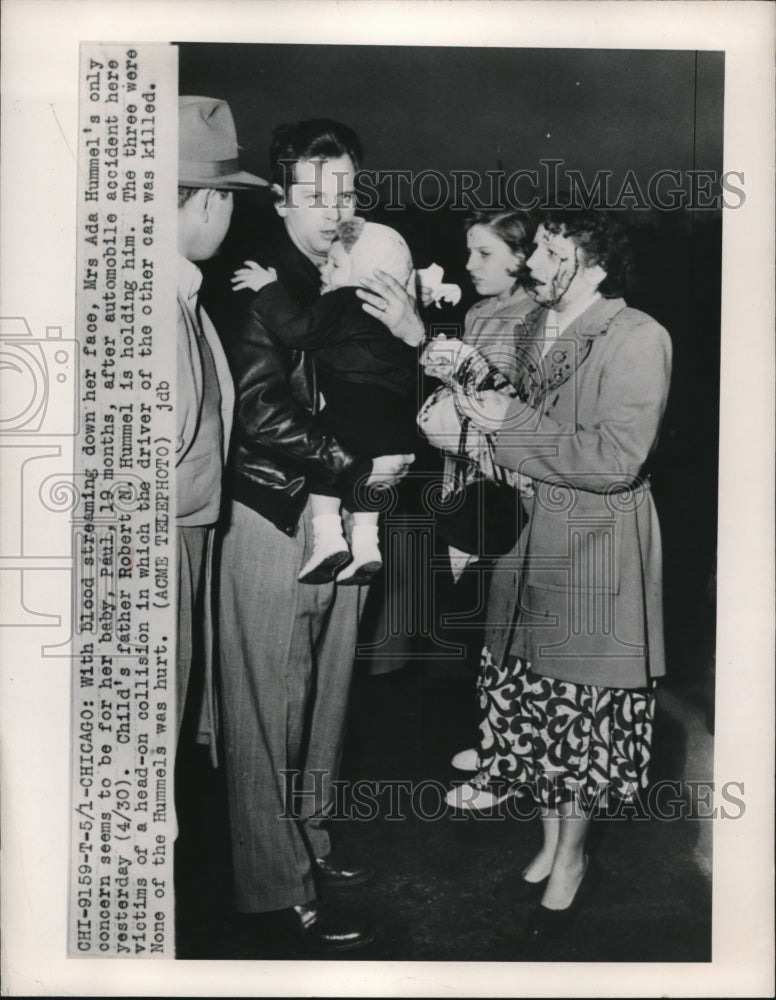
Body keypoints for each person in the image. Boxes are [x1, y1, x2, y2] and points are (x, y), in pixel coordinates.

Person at [429, 209, 671, 940]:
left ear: (592, 264)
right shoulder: (538, 327)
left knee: (581, 713)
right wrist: (473, 400)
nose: (532, 261)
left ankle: (571, 858)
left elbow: (614, 458)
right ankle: (547, 841)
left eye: (547, 250)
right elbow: (522, 417)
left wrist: (505, 425)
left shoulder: (639, 336)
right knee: (531, 703)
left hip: (595, 545)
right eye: (532, 247)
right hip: (530, 537)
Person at [212, 118, 422, 951]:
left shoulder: (362, 269)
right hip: (277, 513)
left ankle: (311, 843)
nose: (336, 207)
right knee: (272, 706)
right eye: (315, 190)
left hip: (339, 503)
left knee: (326, 694)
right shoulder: (257, 281)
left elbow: (384, 379)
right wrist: (352, 468)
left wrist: (414, 338)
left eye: (348, 190)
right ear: (280, 195)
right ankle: (272, 885)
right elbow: (262, 412)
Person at [231, 218, 419, 585]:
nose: (325, 271)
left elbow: (299, 329)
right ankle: (366, 547)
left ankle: (329, 540)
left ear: (364, 273)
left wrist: (269, 289)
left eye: (335, 265)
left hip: (349, 411)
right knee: (369, 491)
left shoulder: (344, 298)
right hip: (393, 423)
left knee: (327, 470)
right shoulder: (397, 314)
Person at [418, 209, 536, 780]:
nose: (469, 265)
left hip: (511, 489)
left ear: (522, 257)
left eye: (485, 254)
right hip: (465, 480)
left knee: (510, 621)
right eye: (468, 252)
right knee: (474, 620)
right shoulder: (476, 311)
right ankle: (490, 737)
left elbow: (504, 402)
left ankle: (509, 751)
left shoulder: (537, 317)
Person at [175, 96, 267, 740]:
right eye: (230, 197)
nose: (231, 214)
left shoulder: (181, 290)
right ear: (206, 201)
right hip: (164, 539)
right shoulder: (159, 301)